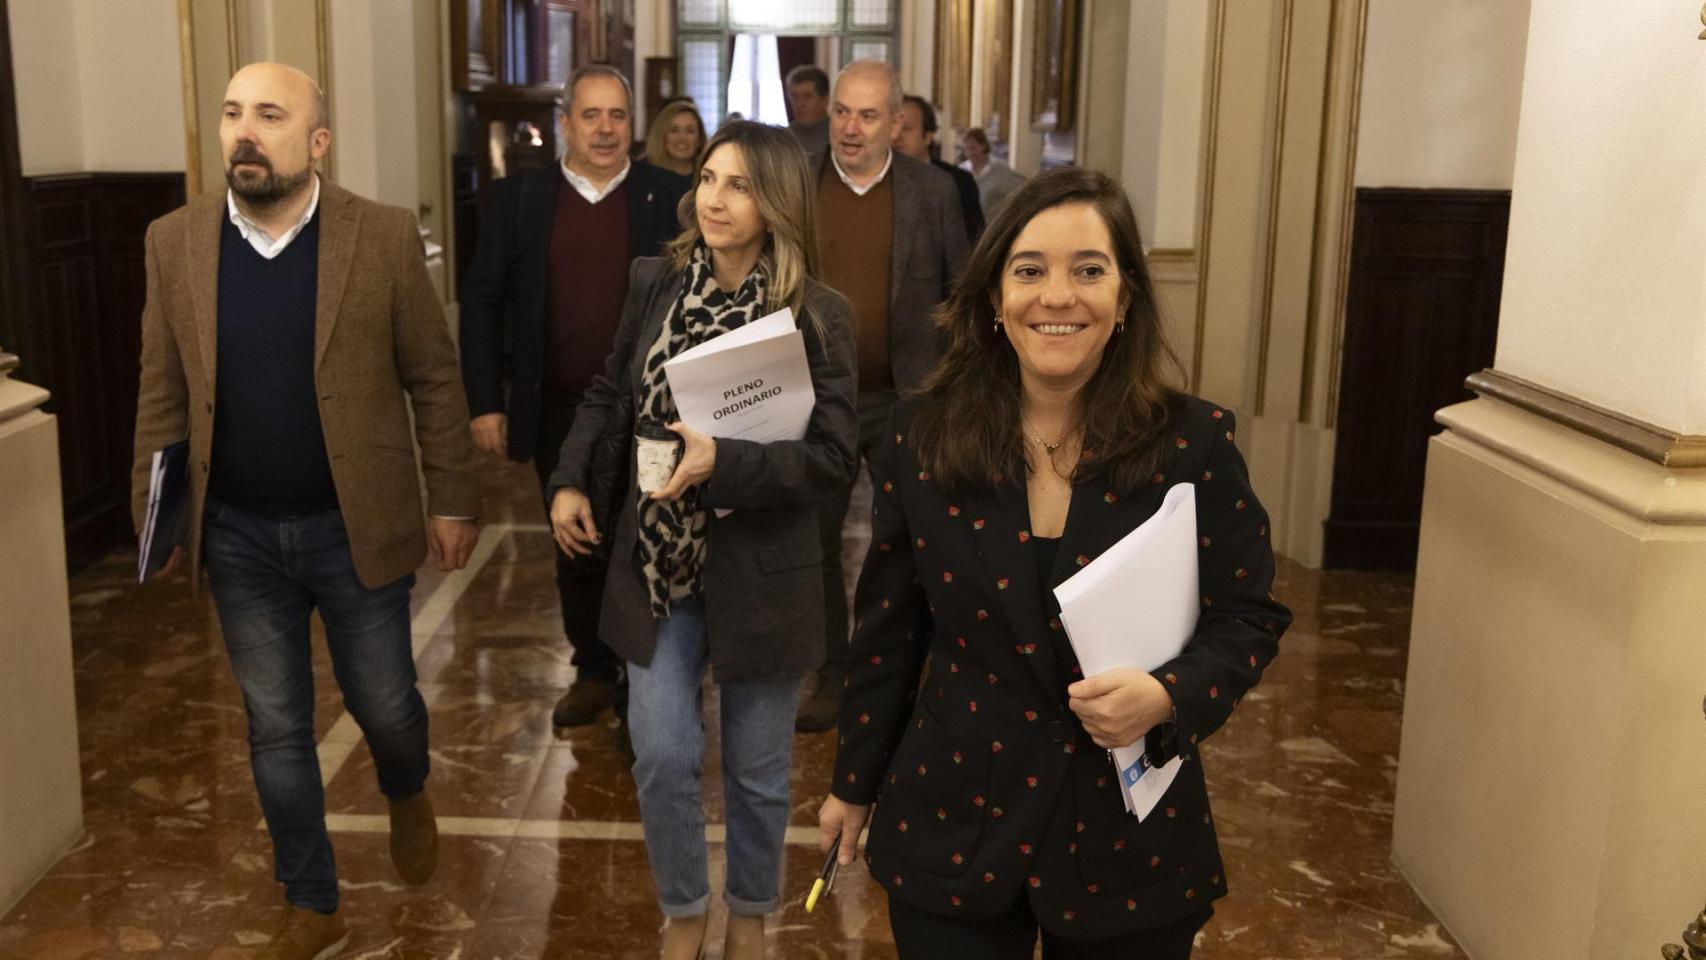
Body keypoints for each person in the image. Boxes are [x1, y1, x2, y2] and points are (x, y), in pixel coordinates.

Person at [817, 167, 1291, 958]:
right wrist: (851, 786)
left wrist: (1168, 695)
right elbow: (890, 632)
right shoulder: (918, 439)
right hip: (954, 817)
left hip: (1124, 832)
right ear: (995, 299)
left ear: (1126, 297)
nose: (1058, 296)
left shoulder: (1193, 443)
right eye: (1030, 270)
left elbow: (1249, 615)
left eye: (1090, 270)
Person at [130, 62, 480, 960]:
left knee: (388, 705)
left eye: (270, 115)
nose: (244, 131)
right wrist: (156, 516)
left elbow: (434, 380)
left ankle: (407, 788)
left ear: (316, 142)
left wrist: (453, 498)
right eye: (232, 112)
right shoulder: (175, 242)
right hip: (238, 531)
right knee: (277, 725)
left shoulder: (383, 236)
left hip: (351, 524)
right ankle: (311, 898)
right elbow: (160, 391)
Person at [548, 120, 857, 960]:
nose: (714, 199)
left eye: (740, 185)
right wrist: (571, 477)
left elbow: (831, 458)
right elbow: (612, 388)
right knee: (662, 754)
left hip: (764, 572)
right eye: (709, 178)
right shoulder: (656, 280)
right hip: (657, 560)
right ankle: (685, 907)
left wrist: (727, 465)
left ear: (778, 204)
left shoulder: (818, 315)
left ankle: (751, 911)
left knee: (757, 774)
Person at [459, 65, 690, 731]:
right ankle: (593, 669)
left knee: (644, 544)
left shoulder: (669, 197)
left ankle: (643, 688)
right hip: (557, 408)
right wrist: (485, 401)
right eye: (591, 115)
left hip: (653, 417)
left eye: (617, 115)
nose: (605, 128)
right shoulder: (518, 200)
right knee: (575, 544)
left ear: (631, 126)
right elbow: (482, 305)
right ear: (566, 124)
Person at [797, 59, 969, 732]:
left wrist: (955, 395)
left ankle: (900, 671)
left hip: (907, 398)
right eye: (842, 111)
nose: (850, 127)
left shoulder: (934, 193)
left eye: (868, 115)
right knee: (815, 542)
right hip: (817, 401)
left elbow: (962, 297)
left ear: (897, 123)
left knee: (909, 542)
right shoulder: (799, 186)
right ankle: (834, 673)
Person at [894, 94, 984, 243]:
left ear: (928, 136)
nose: (896, 136)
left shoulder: (959, 182)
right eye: (892, 126)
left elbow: (974, 242)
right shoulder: (874, 178)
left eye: (907, 128)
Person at [960, 127, 1026, 217]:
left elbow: (1015, 198)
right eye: (966, 150)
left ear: (983, 145)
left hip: (994, 225)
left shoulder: (1001, 170)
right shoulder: (961, 171)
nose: (969, 154)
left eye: (972, 148)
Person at [644, 99, 707, 176]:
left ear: (700, 139)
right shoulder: (643, 172)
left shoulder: (708, 173)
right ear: (661, 136)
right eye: (674, 130)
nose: (682, 138)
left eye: (690, 131)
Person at [785, 64, 831, 154]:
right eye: (794, 96)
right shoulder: (784, 139)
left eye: (807, 96)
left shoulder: (839, 136)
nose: (799, 104)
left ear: (825, 99)